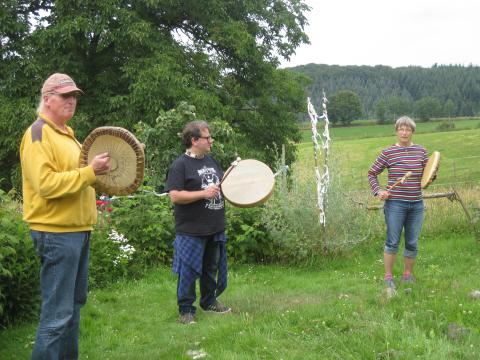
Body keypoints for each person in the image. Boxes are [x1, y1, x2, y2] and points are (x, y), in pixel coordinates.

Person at [20, 73, 110, 359]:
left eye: (74, 97)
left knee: (72, 309)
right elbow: (46, 185)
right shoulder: (38, 134)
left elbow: (79, 178)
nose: (71, 101)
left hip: (77, 230)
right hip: (56, 233)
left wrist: (103, 175)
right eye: (65, 96)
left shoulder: (68, 135)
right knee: (57, 315)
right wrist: (89, 172)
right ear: (47, 98)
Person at [166, 120, 231, 325]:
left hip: (214, 226)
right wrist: (204, 193)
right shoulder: (180, 165)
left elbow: (222, 187)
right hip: (191, 230)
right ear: (194, 140)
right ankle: (186, 311)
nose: (211, 140)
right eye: (207, 137)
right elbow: (175, 196)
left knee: (210, 268)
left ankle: (208, 301)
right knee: (188, 270)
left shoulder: (211, 161)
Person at [367, 116, 428, 291]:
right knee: (392, 242)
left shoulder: (421, 152)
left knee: (412, 242)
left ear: (412, 132)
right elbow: (371, 173)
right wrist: (378, 191)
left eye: (408, 129)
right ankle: (388, 277)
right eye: (401, 129)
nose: (404, 132)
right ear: (396, 131)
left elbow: (427, 177)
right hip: (395, 205)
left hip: (416, 204)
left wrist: (433, 174)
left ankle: (407, 276)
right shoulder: (388, 153)